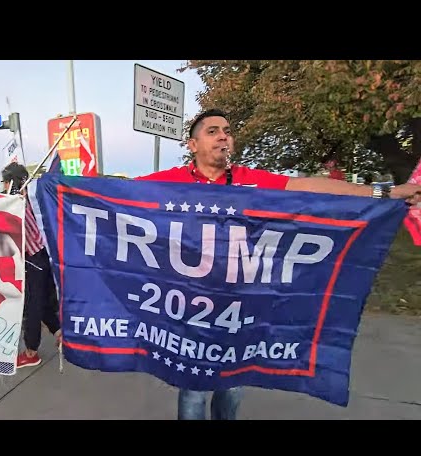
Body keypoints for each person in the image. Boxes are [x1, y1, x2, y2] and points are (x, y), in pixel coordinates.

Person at [136, 109, 420, 420]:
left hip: (241, 308)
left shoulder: (250, 181)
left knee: (232, 388)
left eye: (227, 130)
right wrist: (71, 188)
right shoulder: (171, 182)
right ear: (193, 145)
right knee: (194, 391)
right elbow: (109, 195)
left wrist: (384, 192)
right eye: (213, 131)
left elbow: (311, 188)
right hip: (191, 308)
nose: (223, 136)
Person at [0, 162, 62, 368]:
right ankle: (60, 333)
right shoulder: (33, 197)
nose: (2, 185)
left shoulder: (16, 203)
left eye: (5, 181)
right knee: (44, 301)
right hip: (44, 255)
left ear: (12, 181)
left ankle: (31, 351)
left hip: (33, 259)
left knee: (32, 306)